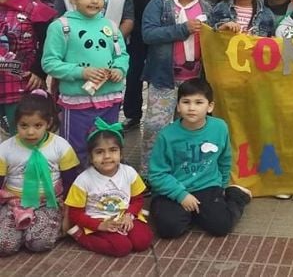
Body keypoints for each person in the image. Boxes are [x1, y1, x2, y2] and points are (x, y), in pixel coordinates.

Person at [42, 0, 129, 167]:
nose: (95, 0)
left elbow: (122, 55)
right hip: (77, 104)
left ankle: (105, 189)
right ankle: (76, 191)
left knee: (108, 147)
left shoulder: (110, 26)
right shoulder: (61, 27)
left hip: (110, 101)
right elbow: (49, 63)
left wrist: (119, 69)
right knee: (76, 150)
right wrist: (82, 72)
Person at [148, 79, 252, 238]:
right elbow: (156, 174)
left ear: (210, 106)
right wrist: (181, 195)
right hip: (174, 189)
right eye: (186, 102)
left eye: (198, 102)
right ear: (178, 106)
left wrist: (222, 186)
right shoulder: (167, 136)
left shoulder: (219, 127)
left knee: (221, 226)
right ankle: (192, 213)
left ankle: (236, 195)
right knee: (168, 229)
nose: (191, 108)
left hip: (207, 187)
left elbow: (224, 159)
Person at [140, 0, 213, 178]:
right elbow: (148, 34)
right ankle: (149, 174)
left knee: (189, 127)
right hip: (164, 78)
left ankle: (181, 171)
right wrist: (182, 29)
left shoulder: (208, 8)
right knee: (155, 127)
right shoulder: (159, 3)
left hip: (194, 80)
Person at [0, 90, 79, 256]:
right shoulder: (5, 149)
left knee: (38, 244)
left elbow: (71, 181)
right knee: (4, 246)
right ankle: (22, 230)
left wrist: (68, 214)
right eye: (24, 126)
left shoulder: (60, 146)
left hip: (48, 203)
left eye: (37, 126)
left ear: (48, 123)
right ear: (16, 124)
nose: (30, 132)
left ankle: (32, 231)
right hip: (13, 203)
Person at [64, 119, 153, 257]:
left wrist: (129, 216)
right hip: (97, 221)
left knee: (142, 242)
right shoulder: (83, 180)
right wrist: (99, 226)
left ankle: (124, 231)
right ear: (91, 157)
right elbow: (75, 214)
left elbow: (137, 200)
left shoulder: (129, 172)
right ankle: (80, 236)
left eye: (113, 150)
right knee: (122, 248)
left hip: (124, 217)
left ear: (121, 153)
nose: (107, 156)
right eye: (99, 152)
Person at [123, 0, 179, 132]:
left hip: (178, 44)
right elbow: (135, 16)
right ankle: (132, 114)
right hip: (144, 41)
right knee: (136, 76)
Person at [0, 0, 56, 134]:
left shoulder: (35, 10)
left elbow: (49, 44)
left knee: (24, 140)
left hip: (21, 87)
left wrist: (38, 72)